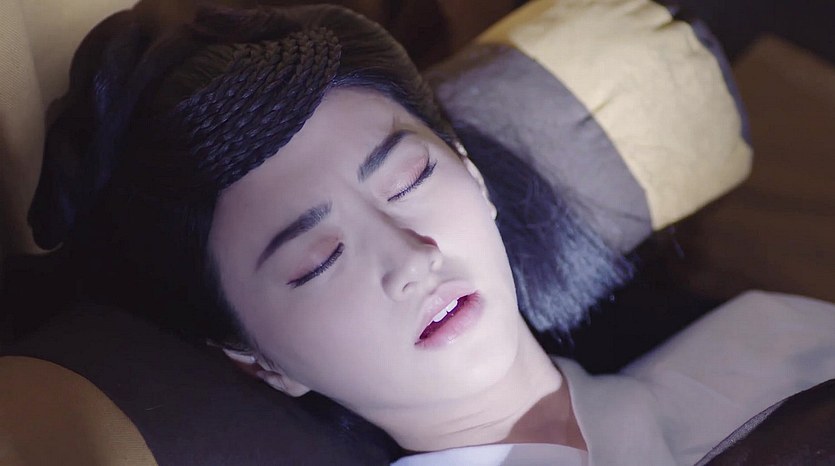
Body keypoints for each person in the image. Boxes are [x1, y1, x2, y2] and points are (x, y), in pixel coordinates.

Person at [28, 4, 835, 465]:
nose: (411, 257)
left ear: (470, 174)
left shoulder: (767, 341)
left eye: (407, 179)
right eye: (318, 259)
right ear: (257, 361)